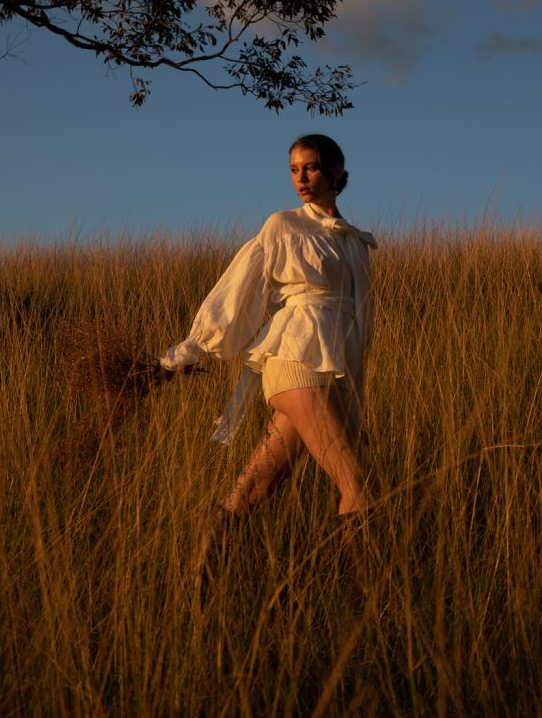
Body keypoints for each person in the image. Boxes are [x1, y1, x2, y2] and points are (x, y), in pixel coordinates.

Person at [158, 134, 378, 591]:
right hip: (296, 357)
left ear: (339, 174)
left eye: (312, 168)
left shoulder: (355, 242)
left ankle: (201, 579)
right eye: (294, 169)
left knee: (253, 490)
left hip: (335, 367)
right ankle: (372, 605)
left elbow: (360, 318)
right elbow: (238, 290)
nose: (301, 177)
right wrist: (189, 350)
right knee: (358, 481)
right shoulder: (283, 226)